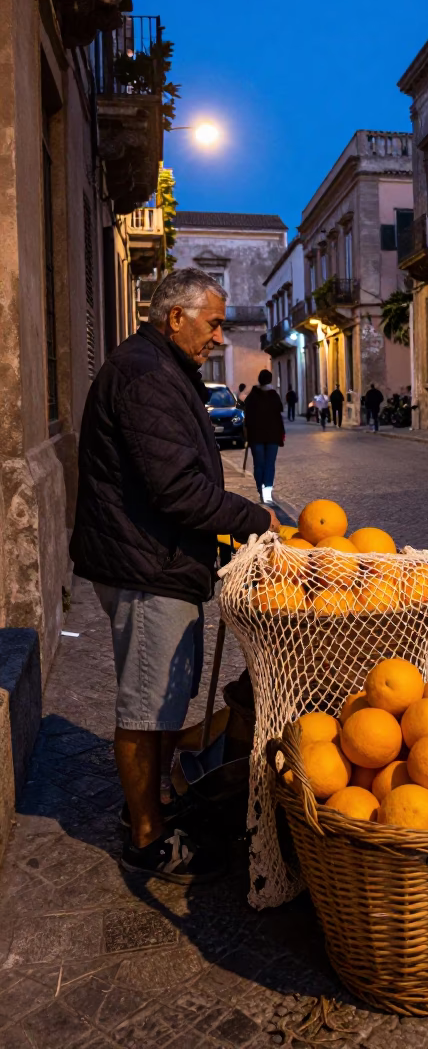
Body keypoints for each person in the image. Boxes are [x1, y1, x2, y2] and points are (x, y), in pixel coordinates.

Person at [70, 269, 279, 884]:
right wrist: (255, 518)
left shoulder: (161, 367)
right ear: (175, 318)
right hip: (146, 563)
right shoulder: (145, 374)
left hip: (161, 560)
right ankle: (145, 839)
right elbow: (176, 489)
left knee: (163, 702)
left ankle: (155, 804)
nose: (220, 333)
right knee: (144, 706)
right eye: (212, 322)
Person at [243, 370, 285, 503]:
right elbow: (279, 417)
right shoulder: (274, 396)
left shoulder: (252, 397)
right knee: (269, 465)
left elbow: (247, 418)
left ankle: (261, 490)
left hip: (256, 437)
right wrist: (281, 434)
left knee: (259, 465)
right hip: (272, 436)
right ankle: (266, 492)